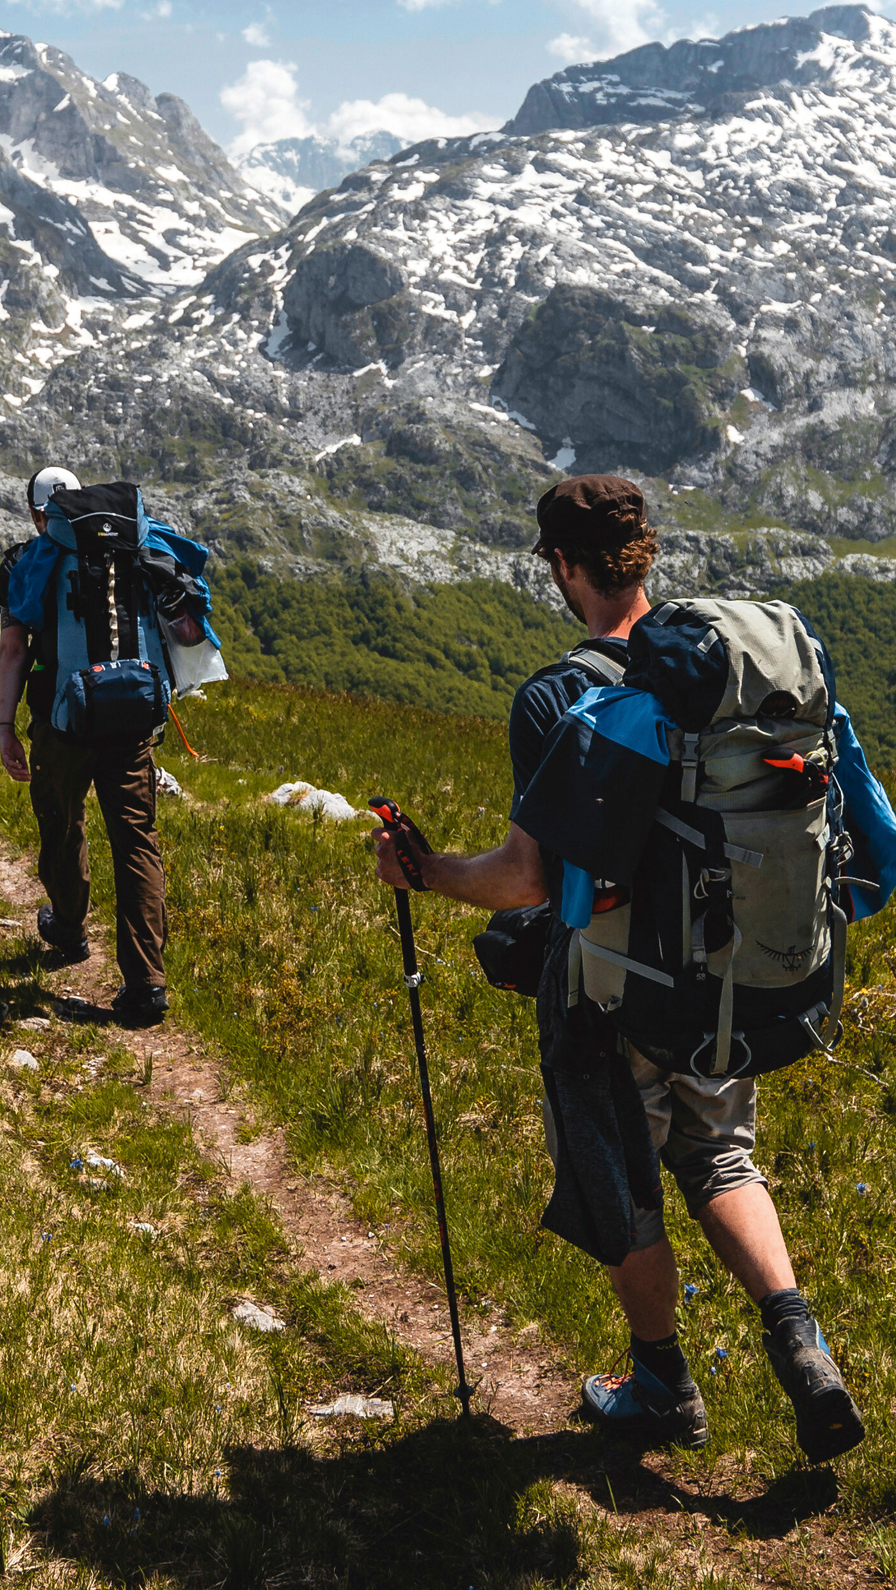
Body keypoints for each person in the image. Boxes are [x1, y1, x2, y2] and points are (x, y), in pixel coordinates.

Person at [365, 474, 864, 1462]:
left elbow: (522, 879)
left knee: (624, 1189)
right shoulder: (726, 680)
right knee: (722, 1156)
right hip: (726, 975)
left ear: (562, 565)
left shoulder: (559, 697)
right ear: (645, 555)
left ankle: (662, 1386)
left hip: (611, 996)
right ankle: (797, 1333)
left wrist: (422, 872)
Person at [0, 466, 168, 1027]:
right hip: (133, 716)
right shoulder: (129, 543)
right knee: (136, 841)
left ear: (35, 512)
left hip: (62, 721)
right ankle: (145, 985)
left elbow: (14, 649)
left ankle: (68, 929)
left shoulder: (25, 560)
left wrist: (4, 726)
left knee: (61, 824)